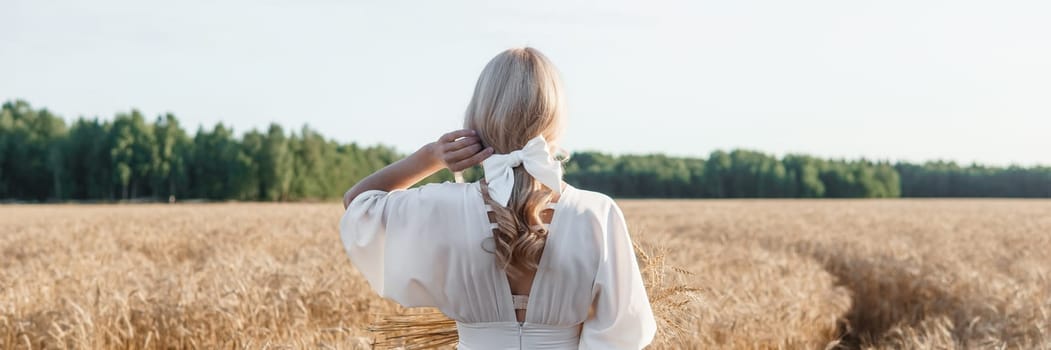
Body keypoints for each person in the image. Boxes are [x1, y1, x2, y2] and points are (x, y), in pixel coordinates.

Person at [339, 47, 656, 349]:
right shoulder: (595, 213)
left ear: (477, 119)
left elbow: (358, 202)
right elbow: (625, 331)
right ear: (556, 121)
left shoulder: (442, 207)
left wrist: (431, 156)